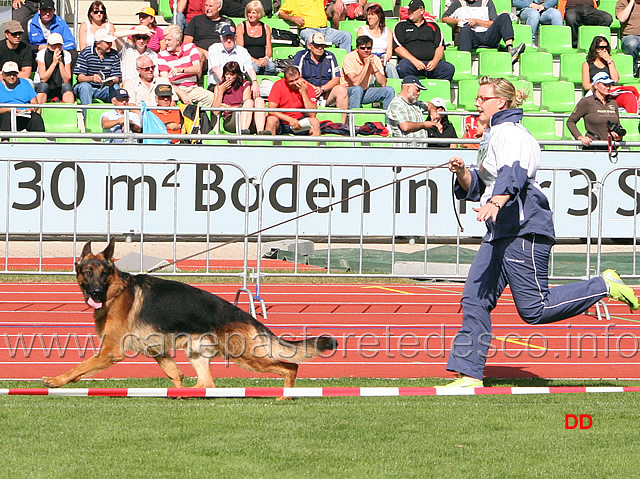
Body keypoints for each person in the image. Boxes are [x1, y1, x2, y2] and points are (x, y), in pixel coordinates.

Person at [441, 76, 639, 388]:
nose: (476, 103)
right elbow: (480, 185)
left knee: (535, 309)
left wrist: (496, 200)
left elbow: (514, 173)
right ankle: (470, 375)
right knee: (475, 299)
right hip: (500, 231)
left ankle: (603, 284)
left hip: (524, 229)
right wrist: (464, 172)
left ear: (501, 103)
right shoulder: (493, 135)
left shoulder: (511, 134)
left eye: (482, 98)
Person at [442, 0, 525, 62]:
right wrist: (457, 21)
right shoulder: (458, 3)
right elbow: (444, 18)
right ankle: (464, 61)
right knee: (465, 30)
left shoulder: (487, 2)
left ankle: (510, 49)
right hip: (470, 36)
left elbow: (493, 23)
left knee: (504, 17)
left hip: (487, 35)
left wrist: (477, 21)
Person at [292, 32, 349, 122]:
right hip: (306, 92)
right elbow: (295, 77)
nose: (320, 48)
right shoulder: (300, 56)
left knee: (341, 89)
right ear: (309, 46)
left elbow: (336, 79)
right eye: (317, 45)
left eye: (322, 45)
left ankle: (342, 124)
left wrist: (322, 89)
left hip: (325, 94)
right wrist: (312, 88)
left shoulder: (330, 56)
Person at [393, 0, 455, 80]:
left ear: (421, 11)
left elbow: (440, 46)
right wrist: (415, 61)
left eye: (413, 10)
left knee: (448, 69)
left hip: (430, 63)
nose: (410, 12)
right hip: (410, 63)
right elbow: (398, 48)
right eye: (409, 10)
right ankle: (411, 88)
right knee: (403, 67)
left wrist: (434, 61)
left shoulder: (433, 26)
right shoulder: (401, 26)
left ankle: (435, 89)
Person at [158, 24, 215, 107]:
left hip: (191, 88)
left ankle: (200, 118)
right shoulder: (162, 55)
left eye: (169, 40)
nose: (166, 43)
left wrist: (180, 69)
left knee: (210, 97)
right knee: (169, 101)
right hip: (173, 89)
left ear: (178, 41)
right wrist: (181, 93)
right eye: (165, 40)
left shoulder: (190, 47)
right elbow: (165, 80)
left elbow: (197, 68)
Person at [568, 71, 624, 149]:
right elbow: (571, 121)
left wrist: (618, 137)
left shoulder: (613, 103)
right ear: (596, 85)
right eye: (604, 84)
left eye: (609, 84)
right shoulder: (586, 102)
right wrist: (580, 137)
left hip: (611, 147)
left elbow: (617, 124)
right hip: (593, 146)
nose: (608, 87)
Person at [341, 35, 396, 110]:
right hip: (348, 92)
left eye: (369, 48)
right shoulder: (349, 58)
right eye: (363, 48)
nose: (366, 50)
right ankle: (353, 119)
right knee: (357, 89)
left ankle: (388, 120)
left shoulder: (375, 59)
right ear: (357, 48)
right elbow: (355, 83)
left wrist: (373, 65)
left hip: (365, 91)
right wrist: (366, 65)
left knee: (389, 90)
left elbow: (383, 83)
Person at [265, 65, 321, 135]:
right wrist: (289, 119)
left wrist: (304, 93)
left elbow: (312, 114)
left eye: (297, 79)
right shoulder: (278, 85)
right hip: (282, 121)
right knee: (271, 120)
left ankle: (314, 146)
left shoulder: (309, 88)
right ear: (285, 80)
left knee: (314, 122)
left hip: (300, 121)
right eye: (291, 81)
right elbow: (271, 110)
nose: (295, 83)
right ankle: (269, 145)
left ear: (300, 76)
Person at [386, 75, 441, 147]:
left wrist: (433, 111)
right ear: (408, 88)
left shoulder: (415, 103)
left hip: (419, 150)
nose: (419, 93)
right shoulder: (396, 104)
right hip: (404, 150)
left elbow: (429, 105)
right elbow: (405, 127)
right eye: (417, 90)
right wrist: (424, 125)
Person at [212, 61, 266, 134]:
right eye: (227, 74)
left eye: (232, 74)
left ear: (237, 75)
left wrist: (231, 108)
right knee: (249, 102)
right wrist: (221, 92)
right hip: (231, 119)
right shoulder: (218, 87)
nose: (229, 77)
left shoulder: (245, 85)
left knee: (258, 100)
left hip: (248, 118)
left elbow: (247, 105)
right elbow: (215, 112)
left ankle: (261, 132)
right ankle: (243, 131)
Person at [207, 24, 260, 99]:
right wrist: (227, 83)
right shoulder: (214, 48)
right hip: (218, 85)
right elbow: (215, 68)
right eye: (226, 37)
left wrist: (254, 82)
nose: (229, 40)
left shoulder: (242, 51)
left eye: (231, 37)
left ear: (235, 38)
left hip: (238, 86)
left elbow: (250, 68)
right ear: (221, 38)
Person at [278, 0, 353, 51]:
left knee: (346, 36)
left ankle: (345, 65)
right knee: (313, 38)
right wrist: (293, 18)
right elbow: (280, 13)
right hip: (308, 30)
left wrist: (338, 0)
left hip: (325, 30)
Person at [73, 29, 121, 105]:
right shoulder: (86, 53)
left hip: (105, 89)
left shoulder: (114, 55)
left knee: (116, 87)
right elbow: (80, 77)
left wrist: (111, 81)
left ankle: (115, 114)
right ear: (98, 44)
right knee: (85, 87)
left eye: (110, 42)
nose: (110, 45)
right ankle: (87, 115)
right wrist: (92, 78)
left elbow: (117, 77)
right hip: (87, 87)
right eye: (107, 43)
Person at [0, 61, 45, 136]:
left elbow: (35, 104)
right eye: (9, 74)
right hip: (6, 114)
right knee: (7, 117)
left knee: (36, 118)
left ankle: (40, 141)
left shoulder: (25, 83)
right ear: (3, 75)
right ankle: (5, 141)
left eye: (14, 74)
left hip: (23, 113)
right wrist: (10, 109)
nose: (12, 77)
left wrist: (31, 109)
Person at [184, 0, 234, 66]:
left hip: (221, 56)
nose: (207, 9)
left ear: (219, 7)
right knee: (199, 55)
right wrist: (205, 53)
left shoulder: (227, 22)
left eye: (210, 6)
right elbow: (187, 44)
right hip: (201, 56)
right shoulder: (196, 20)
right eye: (206, 5)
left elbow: (231, 43)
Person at [236, 0, 277, 76]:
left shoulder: (265, 28)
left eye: (253, 13)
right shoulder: (241, 27)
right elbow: (240, 49)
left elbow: (268, 49)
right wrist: (254, 60)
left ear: (259, 14)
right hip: (248, 59)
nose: (251, 15)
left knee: (272, 66)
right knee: (254, 67)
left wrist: (265, 59)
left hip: (262, 59)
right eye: (249, 12)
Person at [357, 3, 398, 79]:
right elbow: (361, 49)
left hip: (383, 59)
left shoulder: (387, 31)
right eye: (368, 15)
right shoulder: (362, 30)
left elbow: (389, 51)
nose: (369, 17)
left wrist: (383, 61)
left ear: (379, 17)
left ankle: (397, 87)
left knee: (391, 67)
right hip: (368, 59)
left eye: (372, 15)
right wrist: (374, 61)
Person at [34, 32, 74, 104]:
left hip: (60, 84)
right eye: (54, 45)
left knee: (67, 87)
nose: (57, 48)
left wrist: (60, 63)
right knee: (43, 86)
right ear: (48, 45)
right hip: (43, 84)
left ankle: (68, 112)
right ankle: (38, 111)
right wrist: (54, 63)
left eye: (59, 45)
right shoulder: (41, 54)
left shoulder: (66, 54)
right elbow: (43, 78)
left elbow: (67, 79)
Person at [617, 0, 640, 77]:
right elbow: (622, 18)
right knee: (632, 44)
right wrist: (631, 2)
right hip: (630, 36)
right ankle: (631, 71)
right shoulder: (622, 2)